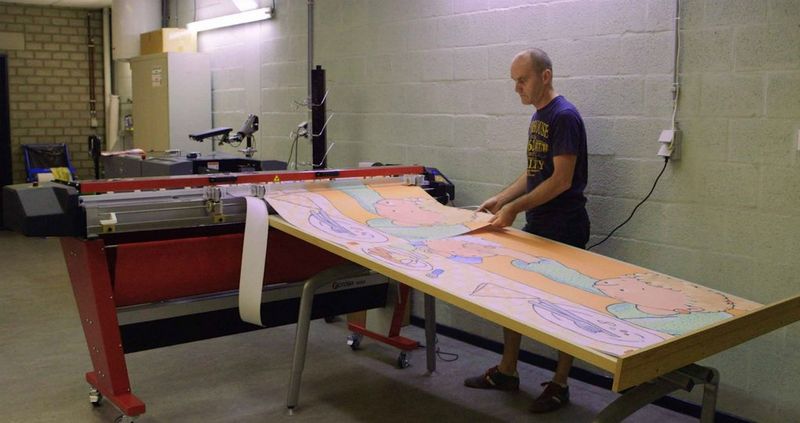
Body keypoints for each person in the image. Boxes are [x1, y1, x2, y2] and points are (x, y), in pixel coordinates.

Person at [463, 48, 590, 414]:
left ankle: (560, 384)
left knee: (564, 306)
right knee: (512, 295)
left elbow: (562, 180)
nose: (518, 88)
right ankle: (507, 371)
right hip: (538, 224)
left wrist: (514, 209)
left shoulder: (563, 116)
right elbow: (537, 171)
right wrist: (501, 198)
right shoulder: (539, 116)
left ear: (545, 76)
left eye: (523, 80)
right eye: (515, 81)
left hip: (564, 227)